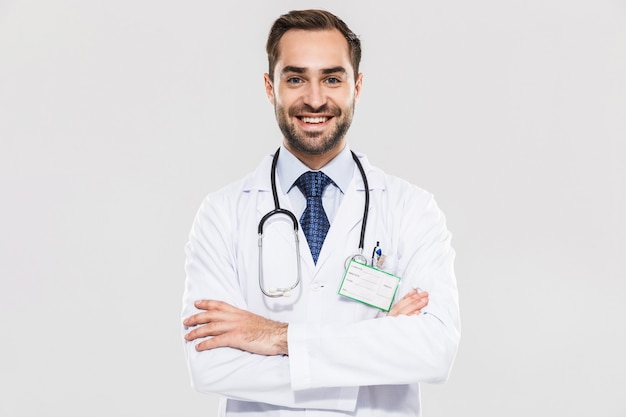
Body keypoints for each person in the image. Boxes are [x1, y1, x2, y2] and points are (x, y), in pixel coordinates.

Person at [181, 9, 460, 417]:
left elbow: (433, 350)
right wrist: (377, 347)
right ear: (269, 87)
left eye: (332, 78)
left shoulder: (411, 209)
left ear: (357, 86)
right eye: (295, 79)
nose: (314, 99)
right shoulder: (222, 214)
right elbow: (211, 367)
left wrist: (275, 338)